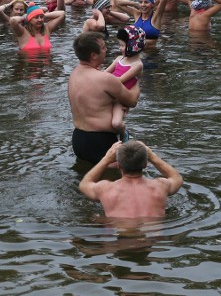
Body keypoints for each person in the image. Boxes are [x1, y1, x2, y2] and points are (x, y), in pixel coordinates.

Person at [68, 31, 140, 164]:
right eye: (103, 47)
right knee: (120, 178)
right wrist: (137, 80)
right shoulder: (105, 79)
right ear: (93, 55)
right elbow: (132, 101)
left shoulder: (74, 75)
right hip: (100, 141)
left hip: (78, 139)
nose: (106, 49)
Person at [79, 141, 183, 220]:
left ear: (119, 165)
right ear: (145, 164)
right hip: (152, 239)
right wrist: (152, 156)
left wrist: (106, 159)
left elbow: (84, 184)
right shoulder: (161, 186)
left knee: (96, 218)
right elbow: (177, 178)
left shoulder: (105, 188)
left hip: (118, 240)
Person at [105, 26, 146, 141]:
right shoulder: (119, 59)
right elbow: (105, 73)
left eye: (122, 45)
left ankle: (124, 134)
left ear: (133, 46)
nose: (120, 48)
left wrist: (102, 83)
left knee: (116, 123)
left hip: (120, 98)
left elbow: (120, 80)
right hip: (109, 91)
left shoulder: (137, 65)